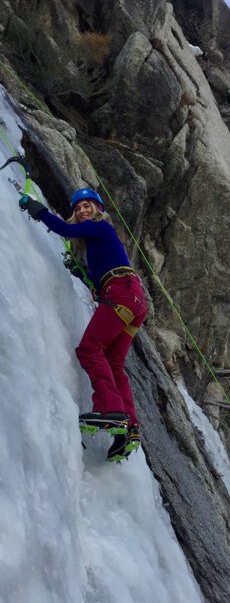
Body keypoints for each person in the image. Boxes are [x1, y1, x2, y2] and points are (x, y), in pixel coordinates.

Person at [20, 187, 148, 461]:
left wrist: (36, 209)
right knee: (114, 362)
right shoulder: (98, 242)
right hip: (134, 299)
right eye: (78, 209)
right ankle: (129, 428)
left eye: (87, 206)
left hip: (122, 292)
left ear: (98, 209)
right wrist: (82, 272)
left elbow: (64, 231)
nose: (82, 211)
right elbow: (96, 276)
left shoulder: (99, 227)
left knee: (90, 349)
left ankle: (111, 411)